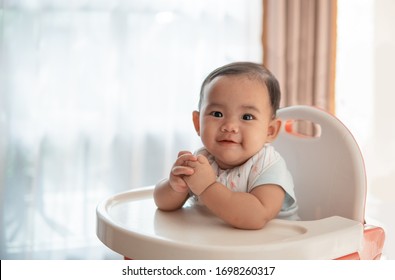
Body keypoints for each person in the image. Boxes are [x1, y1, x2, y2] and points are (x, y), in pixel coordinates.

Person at [153, 62, 298, 230]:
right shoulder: (203, 160)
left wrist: (208, 187)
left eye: (247, 117)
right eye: (217, 114)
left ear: (270, 131)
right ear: (197, 123)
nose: (229, 126)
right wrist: (174, 186)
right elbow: (163, 204)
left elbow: (257, 216)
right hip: (216, 246)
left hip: (273, 249)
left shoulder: (269, 165)